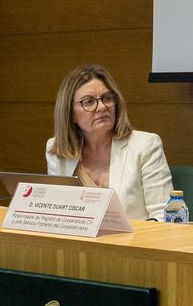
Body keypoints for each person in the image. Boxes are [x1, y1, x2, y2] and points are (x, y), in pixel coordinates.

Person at [46, 64, 173, 221]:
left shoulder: (146, 145)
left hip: (135, 236)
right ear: (70, 113)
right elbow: (56, 212)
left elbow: (164, 215)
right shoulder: (56, 149)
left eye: (107, 98)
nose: (102, 107)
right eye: (88, 101)